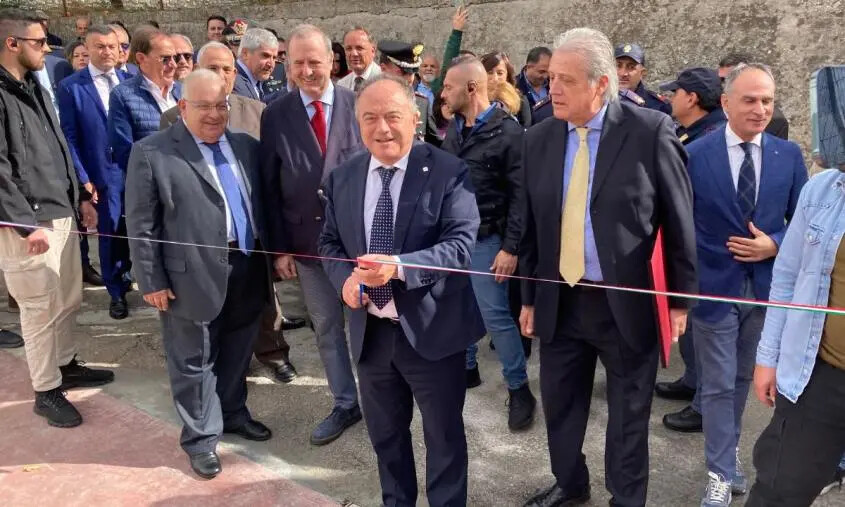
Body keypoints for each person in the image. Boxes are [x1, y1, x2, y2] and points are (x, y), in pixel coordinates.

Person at [519, 28, 697, 507]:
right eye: (551, 78)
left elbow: (679, 221)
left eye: (566, 80)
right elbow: (532, 227)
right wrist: (529, 298)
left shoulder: (649, 132)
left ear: (601, 84)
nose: (553, 88)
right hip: (561, 301)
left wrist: (679, 302)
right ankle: (570, 484)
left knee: (627, 417)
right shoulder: (539, 138)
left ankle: (626, 498)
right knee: (560, 406)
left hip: (626, 303)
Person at [317, 73, 485, 507]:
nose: (382, 128)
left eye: (392, 116)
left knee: (443, 439)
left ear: (414, 117)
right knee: (386, 439)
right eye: (369, 118)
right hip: (371, 335)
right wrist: (345, 280)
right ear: (357, 123)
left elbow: (460, 245)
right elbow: (329, 243)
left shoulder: (448, 171)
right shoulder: (343, 177)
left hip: (433, 333)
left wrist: (400, 267)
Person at [126, 70, 272, 480]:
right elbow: (140, 224)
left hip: (246, 265)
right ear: (183, 107)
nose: (214, 114)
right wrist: (151, 280)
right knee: (194, 361)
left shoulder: (246, 146)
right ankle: (201, 438)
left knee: (238, 348)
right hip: (187, 276)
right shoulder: (152, 152)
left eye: (220, 105)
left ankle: (233, 412)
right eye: (203, 106)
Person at [686, 63, 807, 507]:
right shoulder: (695, 155)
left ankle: (728, 457)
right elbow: (679, 223)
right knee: (718, 383)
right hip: (713, 289)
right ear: (725, 102)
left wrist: (774, 243)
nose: (761, 109)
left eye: (768, 100)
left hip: (764, 290)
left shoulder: (787, 156)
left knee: (740, 378)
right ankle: (720, 473)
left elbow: (805, 221)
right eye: (750, 100)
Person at [159, 41, 301, 383]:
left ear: (235, 73)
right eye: (211, 68)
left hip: (251, 233)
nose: (220, 75)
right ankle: (227, 365)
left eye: (226, 68)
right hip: (206, 241)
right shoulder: (172, 118)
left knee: (263, 302)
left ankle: (272, 352)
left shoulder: (257, 111)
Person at [0, 7, 114, 429]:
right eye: (38, 42)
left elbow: (59, 145)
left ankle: (65, 365)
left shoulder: (33, 85)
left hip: (60, 210)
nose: (47, 49)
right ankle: (45, 390)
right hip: (28, 223)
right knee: (37, 307)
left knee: (67, 299)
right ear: (12, 43)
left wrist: (80, 195)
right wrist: (23, 223)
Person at [259, 24, 364, 446]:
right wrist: (279, 249)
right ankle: (345, 402)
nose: (306, 71)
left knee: (367, 327)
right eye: (298, 63)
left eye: (314, 62)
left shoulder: (358, 105)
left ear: (331, 62)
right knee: (326, 328)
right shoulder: (275, 114)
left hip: (358, 247)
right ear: (287, 65)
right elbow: (270, 188)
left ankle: (378, 397)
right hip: (306, 247)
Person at [440, 56, 536, 430]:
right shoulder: (455, 129)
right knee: (460, 306)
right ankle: (467, 368)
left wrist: (510, 248)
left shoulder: (508, 132)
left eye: (449, 87)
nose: (443, 93)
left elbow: (522, 196)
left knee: (495, 315)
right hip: (455, 238)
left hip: (488, 239)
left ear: (471, 88)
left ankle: (519, 388)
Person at [744, 168, 845, 506]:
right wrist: (768, 357)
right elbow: (787, 276)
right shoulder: (823, 190)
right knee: (779, 490)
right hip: (821, 374)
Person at [654, 66, 727, 433]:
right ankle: (692, 382)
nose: (670, 98)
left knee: (706, 334)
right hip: (694, 252)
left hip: (708, 257)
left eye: (676, 92)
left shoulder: (708, 144)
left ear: (692, 99)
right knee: (692, 331)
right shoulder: (692, 134)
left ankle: (703, 406)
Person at [57, 25, 133, 321]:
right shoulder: (72, 87)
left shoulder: (130, 80)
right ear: (87, 49)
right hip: (102, 174)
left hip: (134, 170)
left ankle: (133, 275)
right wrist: (83, 178)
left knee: (136, 229)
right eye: (100, 46)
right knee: (110, 233)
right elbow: (70, 136)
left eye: (112, 46)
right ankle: (116, 292)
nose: (107, 52)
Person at [107, 26, 182, 319]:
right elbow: (125, 151)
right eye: (165, 58)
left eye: (176, 57)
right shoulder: (123, 96)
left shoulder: (183, 91)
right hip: (154, 195)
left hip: (187, 193)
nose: (173, 64)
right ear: (141, 59)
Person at [377, 39, 440, 145]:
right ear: (383, 69)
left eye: (412, 72)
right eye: (402, 73)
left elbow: (436, 145)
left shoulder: (421, 103)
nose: (409, 78)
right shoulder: (369, 103)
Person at [718, 52, 789, 140]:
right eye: (720, 80)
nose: (721, 85)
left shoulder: (775, 121)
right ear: (725, 102)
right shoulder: (712, 108)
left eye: (727, 79)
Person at [614, 42, 671, 115]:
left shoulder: (659, 106)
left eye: (631, 67)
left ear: (642, 73)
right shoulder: (602, 100)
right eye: (618, 66)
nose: (623, 73)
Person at [480, 51, 531, 127]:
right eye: (490, 72)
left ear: (507, 75)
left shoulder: (520, 100)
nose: (495, 78)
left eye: (500, 73)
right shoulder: (476, 98)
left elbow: (526, 127)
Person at [233, 27, 277, 102]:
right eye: (265, 56)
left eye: (274, 58)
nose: (271, 64)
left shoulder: (257, 80)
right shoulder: (234, 82)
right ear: (245, 54)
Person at [337, 26, 380, 92]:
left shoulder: (385, 81)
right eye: (348, 48)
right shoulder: (341, 85)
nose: (354, 54)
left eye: (359, 48)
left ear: (373, 51)